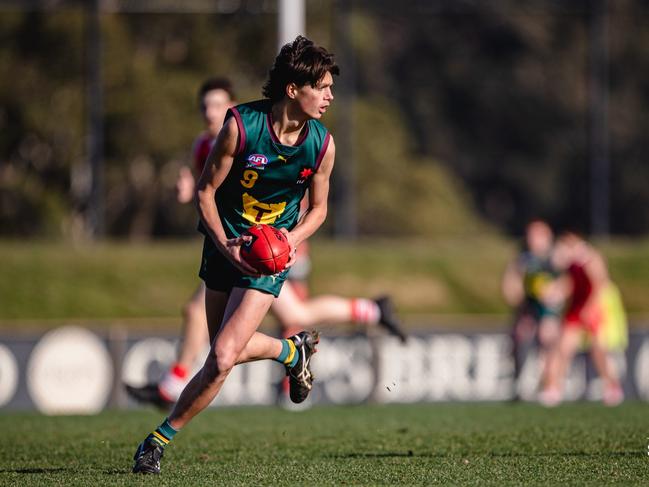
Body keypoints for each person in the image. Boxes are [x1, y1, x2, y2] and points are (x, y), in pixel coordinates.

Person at [132, 35, 373, 475]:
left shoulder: (321, 145)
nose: (329, 96)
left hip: (269, 259)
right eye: (321, 87)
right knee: (219, 355)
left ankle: (157, 440)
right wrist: (226, 244)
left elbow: (319, 211)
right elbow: (205, 193)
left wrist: (289, 241)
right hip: (223, 245)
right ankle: (291, 352)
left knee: (223, 357)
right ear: (292, 89)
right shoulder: (241, 126)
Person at [126, 78, 405, 411]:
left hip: (271, 244)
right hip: (233, 244)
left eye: (217, 105)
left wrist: (289, 238)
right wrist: (188, 193)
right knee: (289, 315)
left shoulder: (256, 133)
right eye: (204, 107)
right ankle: (368, 313)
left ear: (230, 106)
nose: (210, 113)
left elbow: (294, 194)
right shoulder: (205, 145)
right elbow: (211, 193)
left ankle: (172, 386)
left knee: (226, 319)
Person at [539, 232, 624, 406]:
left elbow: (600, 284)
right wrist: (554, 292)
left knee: (599, 350)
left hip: (595, 308)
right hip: (576, 309)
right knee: (563, 348)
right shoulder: (570, 265)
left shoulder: (591, 258)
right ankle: (554, 389)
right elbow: (568, 285)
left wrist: (590, 308)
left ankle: (612, 387)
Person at [501, 219, 561, 399]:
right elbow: (512, 284)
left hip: (549, 309)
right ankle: (520, 383)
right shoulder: (524, 258)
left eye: (537, 235)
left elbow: (566, 281)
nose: (532, 239)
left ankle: (550, 386)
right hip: (528, 309)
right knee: (520, 339)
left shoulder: (555, 257)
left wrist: (554, 294)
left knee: (548, 340)